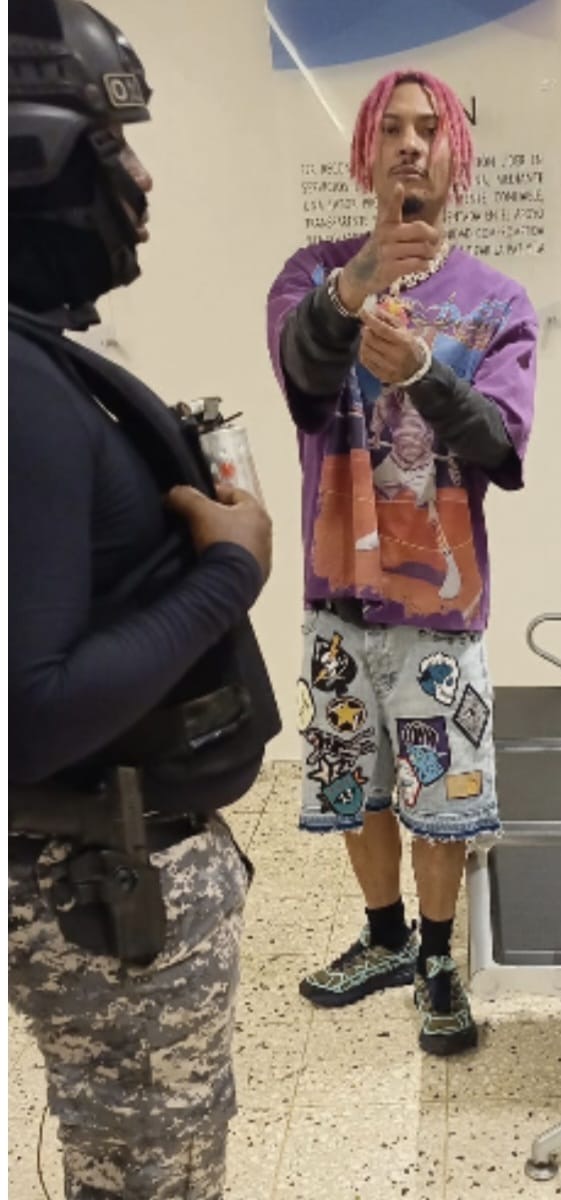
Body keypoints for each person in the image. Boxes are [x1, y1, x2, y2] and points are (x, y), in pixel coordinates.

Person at [8, 2, 280, 1196]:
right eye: (114, 144)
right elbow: (27, 716)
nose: (143, 176)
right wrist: (231, 571)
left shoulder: (35, 361)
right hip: (98, 880)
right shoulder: (17, 388)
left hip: (116, 866)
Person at [267, 68, 537, 1055]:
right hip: (335, 594)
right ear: (366, 155)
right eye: (392, 129)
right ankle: (383, 938)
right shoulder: (309, 277)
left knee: (442, 799)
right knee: (357, 783)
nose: (411, 145)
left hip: (439, 607)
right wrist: (354, 286)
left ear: (456, 153)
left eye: (429, 129)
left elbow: (501, 447)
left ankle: (435, 958)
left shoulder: (497, 301)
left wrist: (425, 373)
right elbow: (303, 379)